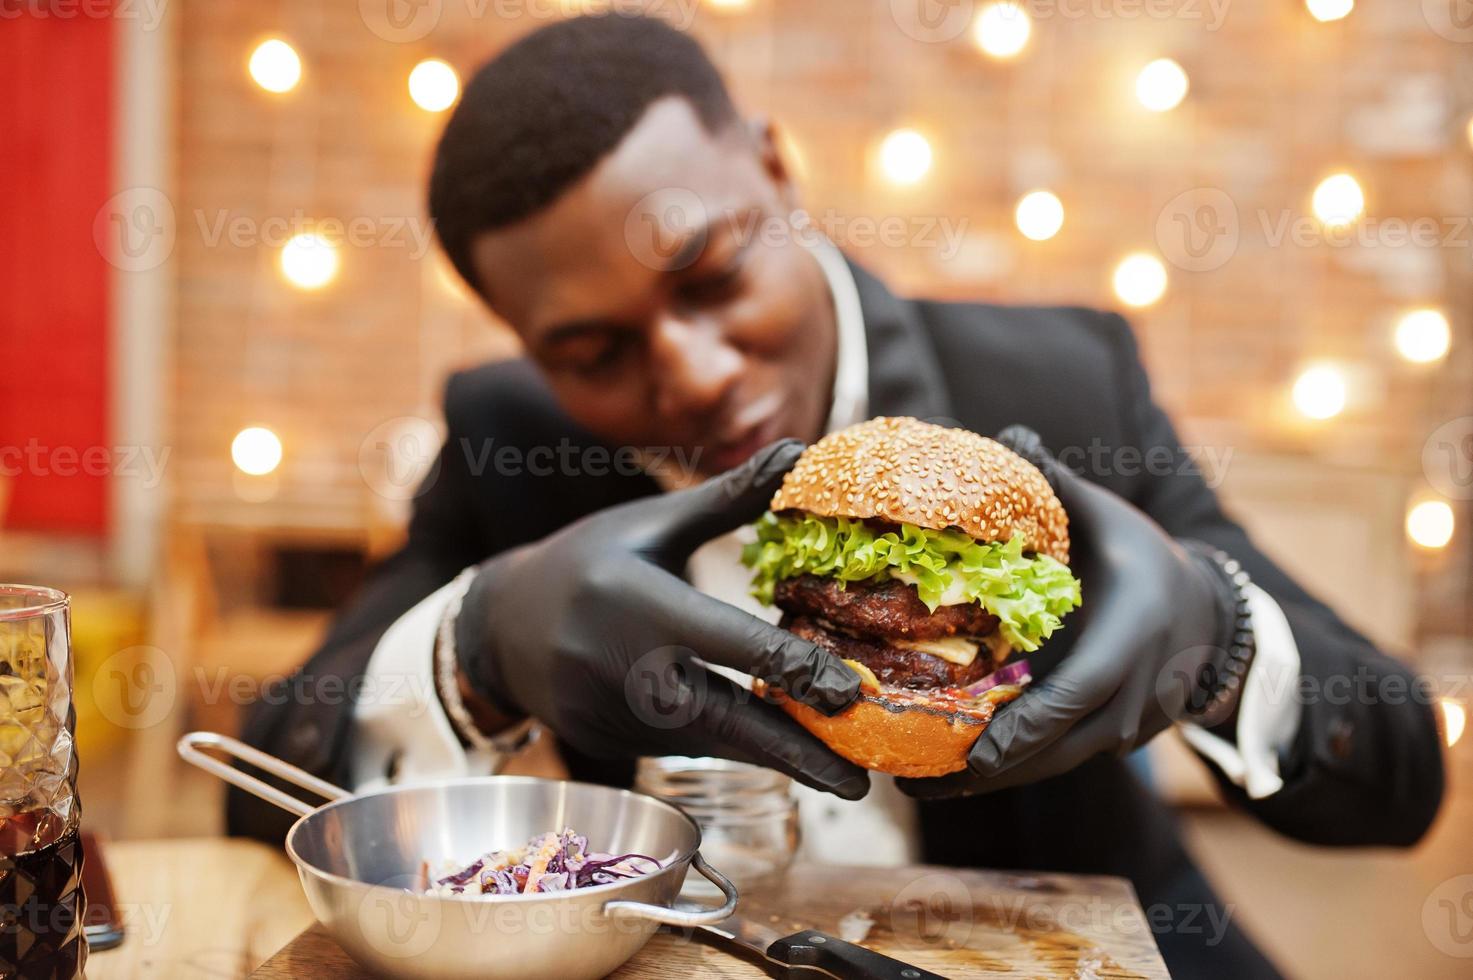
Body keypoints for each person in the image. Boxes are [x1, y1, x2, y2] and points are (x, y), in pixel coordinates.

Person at [227, 15, 1443, 977]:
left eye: (712, 272)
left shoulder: (1062, 383)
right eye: (593, 352)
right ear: (524, 344)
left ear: (774, 167)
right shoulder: (507, 439)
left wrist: (1218, 633)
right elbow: (257, 782)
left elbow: (1396, 770)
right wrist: (473, 642)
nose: (693, 376)